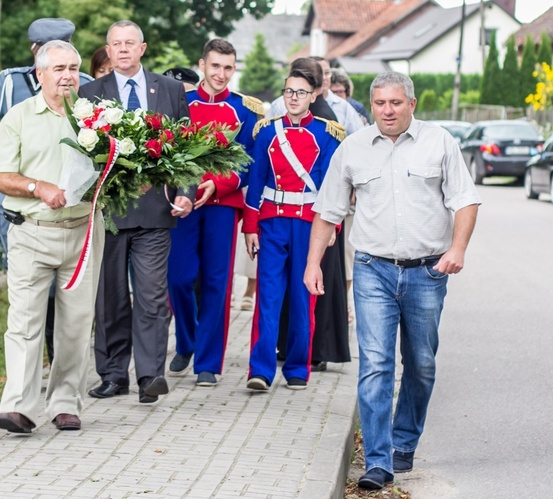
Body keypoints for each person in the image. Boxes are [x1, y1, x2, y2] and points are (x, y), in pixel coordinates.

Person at [304, 72, 481, 489]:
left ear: (412, 104)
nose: (387, 110)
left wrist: (457, 250)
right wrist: (313, 264)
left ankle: (404, 441)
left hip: (427, 271)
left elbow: (466, 199)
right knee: (376, 364)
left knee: (420, 364)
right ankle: (378, 461)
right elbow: (328, 210)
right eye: (380, 103)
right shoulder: (353, 148)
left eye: (395, 103)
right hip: (372, 270)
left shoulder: (440, 142)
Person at [0, 40, 103, 434]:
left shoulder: (96, 119)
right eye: (59, 68)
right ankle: (18, 407)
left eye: (73, 67)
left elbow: (116, 165)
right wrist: (39, 188)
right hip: (32, 233)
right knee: (24, 322)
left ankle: (66, 404)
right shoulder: (18, 118)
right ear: (40, 74)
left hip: (83, 232)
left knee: (75, 322)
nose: (69, 75)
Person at [80, 20, 193, 404]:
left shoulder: (171, 89)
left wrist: (186, 194)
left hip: (155, 211)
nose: (124, 50)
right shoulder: (89, 93)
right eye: (116, 44)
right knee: (110, 297)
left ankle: (149, 376)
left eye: (130, 43)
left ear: (142, 48)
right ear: (108, 51)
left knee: (151, 295)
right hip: (109, 212)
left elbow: (186, 150)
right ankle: (113, 375)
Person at [0, 18, 82, 366]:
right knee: (29, 286)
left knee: (65, 291)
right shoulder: (10, 82)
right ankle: (35, 356)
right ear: (36, 53)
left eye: (66, 54)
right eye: (50, 54)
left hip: (67, 211)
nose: (63, 68)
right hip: (16, 205)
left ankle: (55, 354)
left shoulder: (82, 84)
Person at [166, 38, 261, 386]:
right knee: (177, 277)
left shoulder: (245, 109)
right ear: (202, 64)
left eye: (228, 68)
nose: (221, 74)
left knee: (215, 282)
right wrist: (187, 189)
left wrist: (218, 185)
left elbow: (249, 162)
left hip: (222, 205)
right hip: (184, 204)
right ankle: (188, 341)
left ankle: (207, 363)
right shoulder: (181, 103)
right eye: (215, 66)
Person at [242, 69, 342, 392]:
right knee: (267, 297)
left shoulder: (328, 135)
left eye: (301, 92)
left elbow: (332, 188)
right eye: (288, 92)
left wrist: (333, 226)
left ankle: (298, 367)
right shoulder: (267, 132)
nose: (294, 98)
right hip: (271, 223)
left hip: (309, 226)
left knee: (303, 298)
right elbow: (256, 182)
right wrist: (250, 226)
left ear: (314, 95)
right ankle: (260, 369)